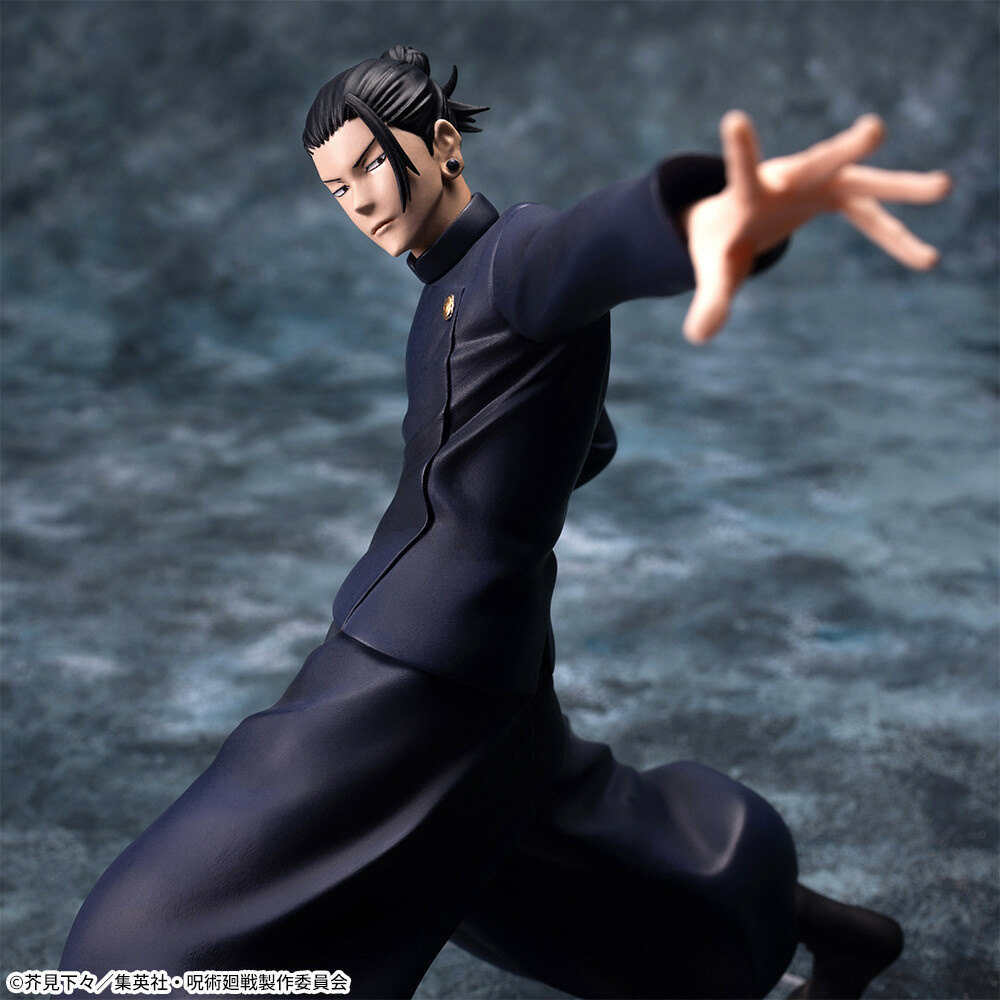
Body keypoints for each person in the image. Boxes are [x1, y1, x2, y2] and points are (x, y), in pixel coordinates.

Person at [60, 46, 950, 999]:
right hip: (482, 651)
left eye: (371, 164)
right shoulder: (444, 289)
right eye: (336, 188)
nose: (359, 201)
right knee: (558, 858)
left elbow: (592, 244)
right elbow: (585, 439)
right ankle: (839, 934)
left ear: (443, 143)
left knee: (152, 942)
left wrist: (713, 217)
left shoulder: (517, 258)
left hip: (424, 665)